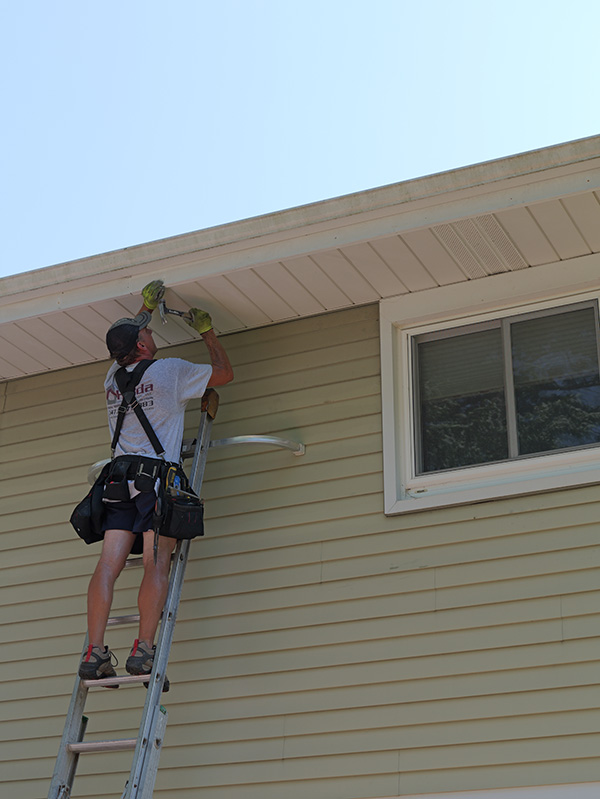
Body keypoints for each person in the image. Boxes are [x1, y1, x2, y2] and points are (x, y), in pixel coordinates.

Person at [78, 280, 233, 686]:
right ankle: (143, 649)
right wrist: (207, 332)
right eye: (146, 331)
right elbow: (224, 373)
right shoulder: (171, 370)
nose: (148, 330)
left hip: (117, 479)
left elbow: (130, 336)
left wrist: (145, 309)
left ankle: (94, 652)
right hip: (153, 478)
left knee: (108, 566)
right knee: (154, 561)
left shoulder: (112, 377)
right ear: (144, 347)